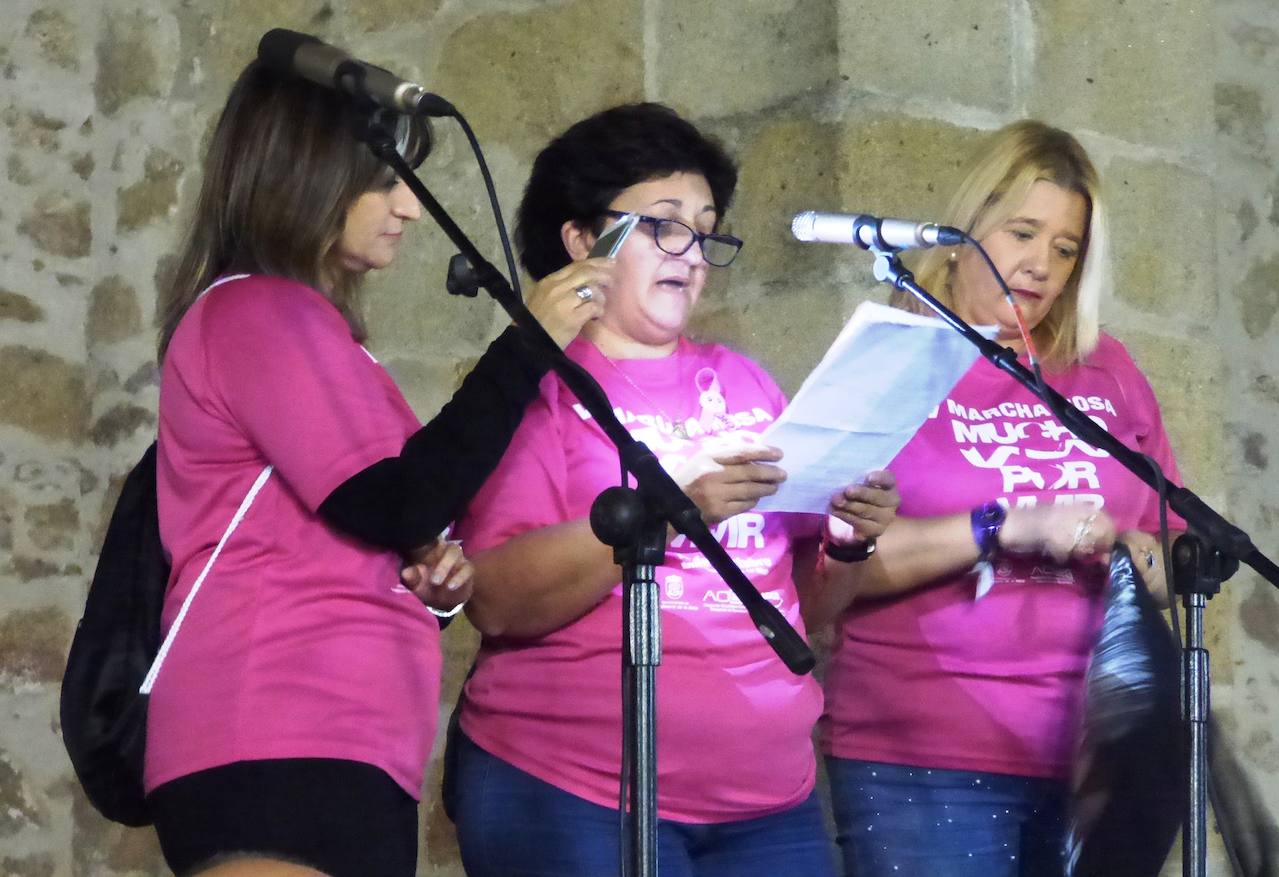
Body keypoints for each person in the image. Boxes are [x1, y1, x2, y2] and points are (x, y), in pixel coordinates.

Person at [146, 54, 606, 877]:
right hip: (272, 730)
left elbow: (376, 520)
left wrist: (429, 582)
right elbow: (392, 501)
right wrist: (526, 346)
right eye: (388, 181)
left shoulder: (312, 330)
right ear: (309, 177)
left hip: (348, 740)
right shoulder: (257, 311)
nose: (410, 209)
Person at [441, 102, 898, 877]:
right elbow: (499, 600)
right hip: (578, 790)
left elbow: (797, 605)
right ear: (582, 240)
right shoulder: (537, 388)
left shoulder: (745, 381)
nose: (690, 253)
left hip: (769, 801)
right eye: (663, 225)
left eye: (705, 230)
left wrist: (852, 539)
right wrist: (668, 508)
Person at [812, 120, 1188, 877]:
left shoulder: (1107, 368)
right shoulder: (891, 356)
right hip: (927, 761)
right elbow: (825, 574)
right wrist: (1005, 526)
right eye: (1022, 233)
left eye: (1066, 249)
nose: (1041, 266)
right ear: (965, 228)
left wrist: (1144, 556)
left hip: (1092, 759)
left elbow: (1174, 537)